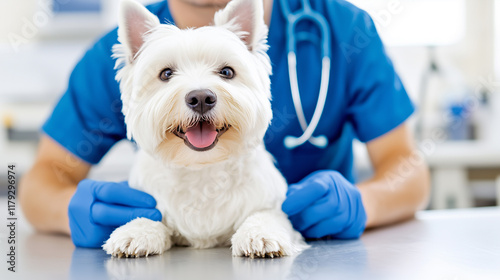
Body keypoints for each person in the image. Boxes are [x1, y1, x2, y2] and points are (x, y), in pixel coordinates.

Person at [20, 0, 430, 247]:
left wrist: (364, 205)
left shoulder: (342, 29)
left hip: (316, 252)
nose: (199, 93)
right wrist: (68, 210)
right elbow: (41, 180)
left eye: (225, 73)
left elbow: (408, 168)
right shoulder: (125, 47)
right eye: (168, 76)